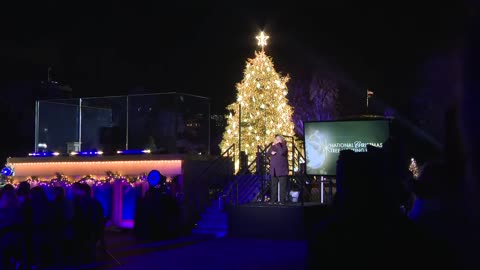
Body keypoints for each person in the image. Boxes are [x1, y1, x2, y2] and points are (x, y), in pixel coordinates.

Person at [268, 135, 289, 204]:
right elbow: (268, 152)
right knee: (274, 186)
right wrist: (271, 152)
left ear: (281, 140)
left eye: (278, 139)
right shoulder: (273, 147)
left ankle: (282, 201)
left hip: (282, 170)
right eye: (276, 139)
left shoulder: (284, 147)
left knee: (282, 186)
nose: (276, 140)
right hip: (273, 169)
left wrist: (279, 144)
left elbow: (281, 152)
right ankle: (274, 200)